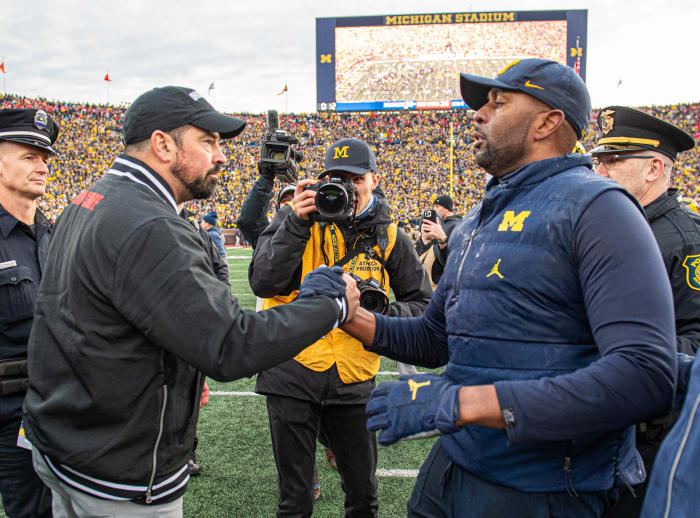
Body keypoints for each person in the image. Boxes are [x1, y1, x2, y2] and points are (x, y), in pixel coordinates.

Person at [341, 59, 677, 517]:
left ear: (548, 121)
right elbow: (436, 338)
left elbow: (644, 374)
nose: (477, 114)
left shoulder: (599, 209)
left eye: (498, 103)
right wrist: (348, 314)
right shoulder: (479, 217)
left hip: (543, 487)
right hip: (454, 464)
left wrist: (462, 401)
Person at [21, 86, 360, 518]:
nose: (221, 156)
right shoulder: (150, 224)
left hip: (68, 440)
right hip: (119, 467)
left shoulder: (94, 196)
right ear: (163, 144)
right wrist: (331, 305)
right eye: (208, 142)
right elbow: (230, 345)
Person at [249, 137, 432, 517]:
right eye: (335, 177)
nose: (346, 186)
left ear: (374, 180)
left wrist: (375, 317)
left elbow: (423, 304)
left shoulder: (390, 234)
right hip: (292, 370)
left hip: (354, 377)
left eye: (355, 178)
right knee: (295, 500)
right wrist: (296, 222)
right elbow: (264, 281)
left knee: (363, 494)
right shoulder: (296, 217)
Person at [589, 106, 699, 517]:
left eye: (614, 160)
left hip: (647, 431)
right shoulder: (613, 222)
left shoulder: (684, 239)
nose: (600, 169)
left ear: (654, 168)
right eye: (599, 159)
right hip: (600, 416)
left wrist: (624, 352)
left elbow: (696, 336)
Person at [0, 108, 57, 518]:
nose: (42, 167)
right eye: (28, 156)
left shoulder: (56, 236)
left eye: (44, 158)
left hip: (48, 411)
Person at [415, 194, 463, 287]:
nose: (434, 209)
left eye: (437, 206)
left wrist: (443, 240)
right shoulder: (438, 224)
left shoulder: (456, 225)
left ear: (447, 209)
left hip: (444, 274)